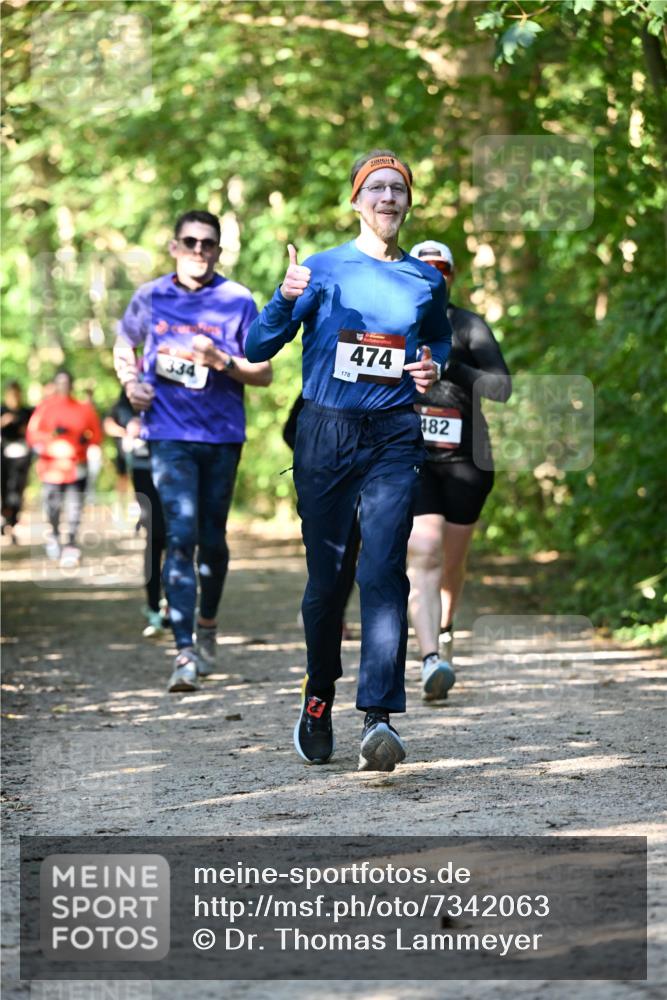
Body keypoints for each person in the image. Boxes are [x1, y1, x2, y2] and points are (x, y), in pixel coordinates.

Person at [246, 150, 452, 772]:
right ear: (357, 201)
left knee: (384, 568)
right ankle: (318, 693)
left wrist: (433, 366)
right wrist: (284, 298)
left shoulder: (424, 279)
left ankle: (379, 717)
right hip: (326, 434)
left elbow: (437, 336)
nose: (388, 198)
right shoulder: (321, 270)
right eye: (376, 188)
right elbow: (258, 344)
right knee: (329, 581)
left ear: (408, 203)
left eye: (398, 189)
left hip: (393, 434)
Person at [113, 210, 272, 693]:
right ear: (174, 247)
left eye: (208, 244)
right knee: (179, 536)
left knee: (212, 540)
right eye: (190, 241)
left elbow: (263, 372)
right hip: (169, 436)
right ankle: (183, 651)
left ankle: (206, 623)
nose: (199, 251)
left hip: (222, 437)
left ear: (219, 251)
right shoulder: (151, 296)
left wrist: (221, 361)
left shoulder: (237, 299)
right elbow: (125, 343)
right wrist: (130, 384)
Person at [406, 240, 511, 700]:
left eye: (442, 270)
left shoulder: (468, 326)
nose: (434, 276)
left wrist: (453, 366)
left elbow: (502, 387)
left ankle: (444, 632)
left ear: (451, 276)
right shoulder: (397, 322)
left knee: (451, 561)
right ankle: (430, 657)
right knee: (424, 551)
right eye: (424, 268)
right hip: (413, 460)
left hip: (468, 462)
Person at [104, 390, 168, 638]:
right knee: (156, 536)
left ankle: (173, 604)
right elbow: (118, 412)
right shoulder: (135, 374)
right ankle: (154, 605)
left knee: (178, 536)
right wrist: (129, 424)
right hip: (144, 468)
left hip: (177, 464)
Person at [26, 370, 102, 567]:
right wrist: (50, 436)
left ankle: (70, 544)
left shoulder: (83, 409)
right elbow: (32, 436)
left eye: (67, 382)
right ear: (55, 385)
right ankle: (54, 534)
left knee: (75, 507)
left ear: (71, 385)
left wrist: (85, 440)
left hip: (76, 465)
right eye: (60, 382)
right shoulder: (45, 408)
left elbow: (96, 435)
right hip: (51, 467)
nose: (63, 386)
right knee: (52, 507)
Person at [1, 381, 33, 543]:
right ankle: (5, 517)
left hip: (22, 456)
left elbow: (36, 429)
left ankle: (12, 522)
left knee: (17, 490)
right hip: (4, 456)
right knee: (5, 490)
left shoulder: (26, 412)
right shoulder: (2, 410)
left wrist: (25, 428)